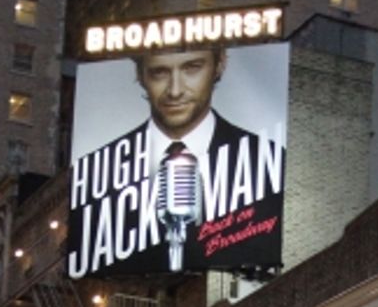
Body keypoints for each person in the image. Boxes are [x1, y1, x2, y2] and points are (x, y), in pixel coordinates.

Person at [68, 47, 285, 276]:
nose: (175, 91)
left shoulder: (270, 162)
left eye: (192, 68)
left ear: (220, 64)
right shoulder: (93, 176)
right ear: (140, 75)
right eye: (159, 72)